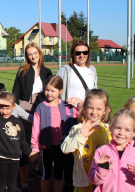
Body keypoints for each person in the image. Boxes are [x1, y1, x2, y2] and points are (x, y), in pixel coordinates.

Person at [56, 39, 98, 192]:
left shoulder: (92, 69)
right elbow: (56, 91)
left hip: (88, 115)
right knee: (70, 150)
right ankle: (68, 183)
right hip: (70, 115)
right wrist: (69, 101)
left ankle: (87, 180)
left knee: (87, 149)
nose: (82, 55)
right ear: (72, 54)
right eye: (78, 52)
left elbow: (94, 91)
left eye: (85, 52)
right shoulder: (65, 69)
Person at [29, 76, 80, 192]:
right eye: (47, 90)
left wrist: (79, 102)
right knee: (46, 173)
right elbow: (35, 129)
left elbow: (82, 113)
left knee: (59, 173)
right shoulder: (41, 107)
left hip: (62, 147)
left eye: (53, 90)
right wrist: (35, 148)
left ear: (60, 91)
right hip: (47, 147)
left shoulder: (67, 106)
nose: (49, 93)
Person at [12, 42, 52, 190]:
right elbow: (15, 90)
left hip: (42, 104)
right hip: (25, 105)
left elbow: (52, 89)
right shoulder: (22, 71)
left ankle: (35, 167)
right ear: (26, 56)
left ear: (39, 54)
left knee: (39, 137)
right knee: (25, 137)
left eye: (35, 53)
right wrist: (12, 105)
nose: (33, 56)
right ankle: (24, 168)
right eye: (30, 54)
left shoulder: (47, 71)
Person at [61, 89, 112, 192]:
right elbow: (65, 149)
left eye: (99, 109)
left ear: (105, 110)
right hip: (84, 182)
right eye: (90, 108)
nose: (94, 112)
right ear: (84, 108)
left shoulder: (109, 130)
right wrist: (80, 136)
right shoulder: (78, 129)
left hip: (104, 182)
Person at [0, 92, 30, 192]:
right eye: (2, 107)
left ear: (14, 107)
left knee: (12, 185)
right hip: (0, 157)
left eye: (8, 108)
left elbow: (22, 140)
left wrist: (27, 154)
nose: (5, 111)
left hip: (14, 158)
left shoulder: (17, 121)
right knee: (1, 185)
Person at [88, 108, 135, 192]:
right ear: (110, 128)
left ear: (133, 133)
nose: (121, 133)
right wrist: (102, 169)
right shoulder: (102, 151)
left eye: (127, 130)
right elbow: (94, 180)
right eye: (118, 128)